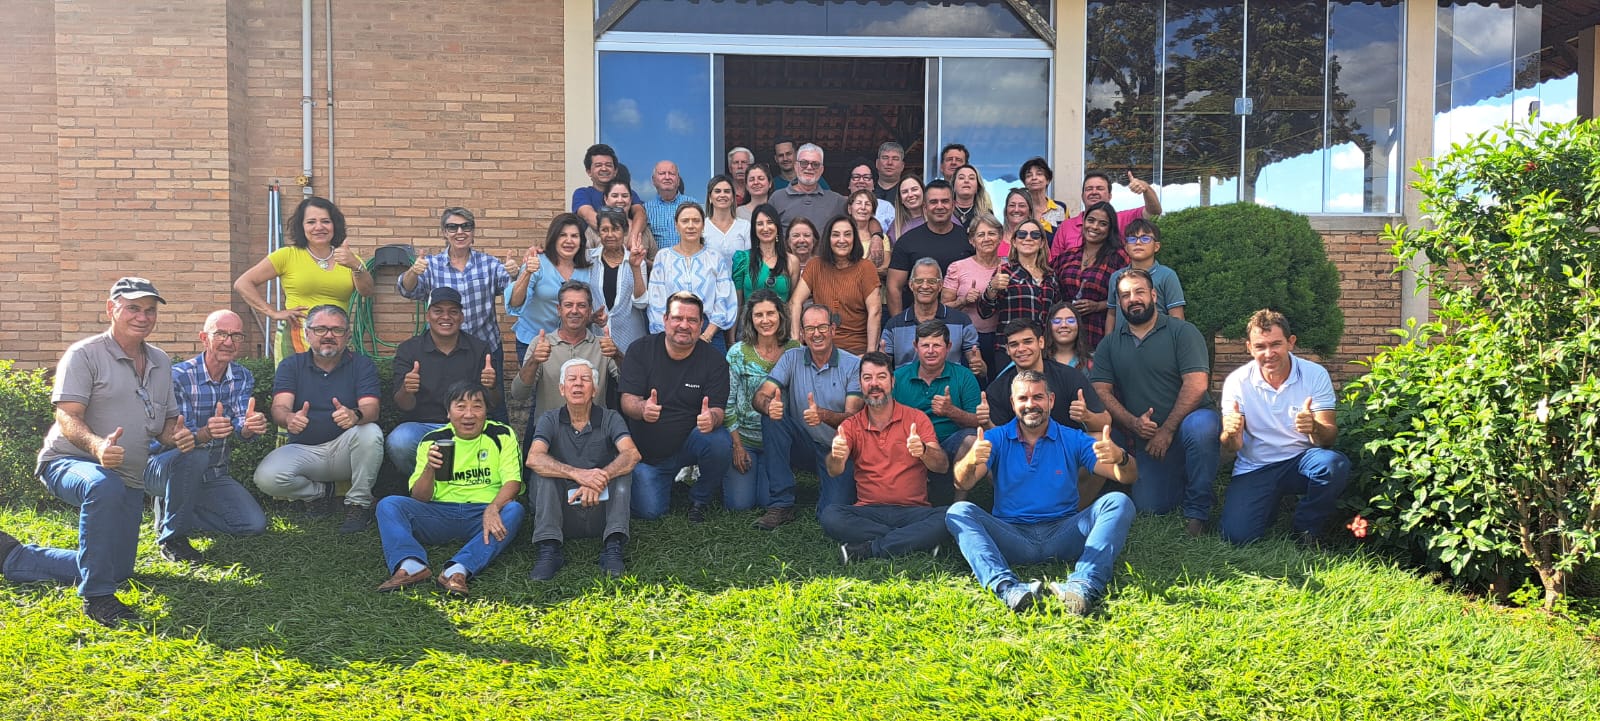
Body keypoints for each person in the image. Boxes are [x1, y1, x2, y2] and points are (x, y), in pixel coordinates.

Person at [0, 278, 195, 626]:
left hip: (128, 476)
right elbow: (66, 414)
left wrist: (177, 435)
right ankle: (98, 598)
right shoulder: (84, 354)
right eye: (133, 307)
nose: (143, 316)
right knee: (102, 485)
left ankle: (14, 556)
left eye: (150, 310)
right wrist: (97, 445)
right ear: (111, 309)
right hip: (70, 462)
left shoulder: (161, 362)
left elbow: (163, 425)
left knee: (117, 568)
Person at [947, 370, 1138, 615]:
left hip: (1064, 531)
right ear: (1013, 403)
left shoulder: (1072, 438)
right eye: (1023, 399)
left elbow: (1129, 476)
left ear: (1051, 401)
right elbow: (962, 484)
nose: (1030, 405)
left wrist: (1120, 457)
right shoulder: (996, 438)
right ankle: (1008, 589)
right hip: (1012, 535)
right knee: (958, 511)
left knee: (1118, 501)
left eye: (1038, 397)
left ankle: (1083, 585)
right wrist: (970, 460)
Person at [1090, 269, 1221, 536]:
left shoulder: (1182, 332)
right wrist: (1132, 423)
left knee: (1201, 427)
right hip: (1147, 439)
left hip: (1188, 425)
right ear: (1119, 301)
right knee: (1151, 505)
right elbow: (1100, 389)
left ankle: (1198, 511)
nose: (1133, 299)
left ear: (1153, 295)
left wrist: (1168, 429)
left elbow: (1196, 384)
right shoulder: (1110, 344)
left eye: (1139, 292)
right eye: (1125, 295)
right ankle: (1188, 478)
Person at [373, 382, 524, 597]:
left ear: (486, 411)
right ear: (448, 412)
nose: (469, 414)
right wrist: (429, 468)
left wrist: (493, 507)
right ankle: (411, 564)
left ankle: (457, 570)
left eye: (477, 406)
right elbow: (420, 497)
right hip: (439, 513)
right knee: (389, 505)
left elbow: (513, 483)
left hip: (483, 516)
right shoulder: (433, 440)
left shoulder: (501, 434)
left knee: (514, 510)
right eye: (461, 407)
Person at [144, 309, 271, 565]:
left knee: (253, 524)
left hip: (213, 473)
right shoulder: (178, 376)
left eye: (236, 335)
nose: (229, 342)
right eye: (221, 334)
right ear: (204, 338)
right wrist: (205, 433)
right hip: (163, 466)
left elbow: (239, 421)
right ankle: (172, 538)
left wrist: (249, 426)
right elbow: (179, 437)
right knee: (194, 455)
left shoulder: (242, 376)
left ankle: (176, 507)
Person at [1218, 310, 1351, 546]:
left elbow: (1329, 437)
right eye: (1260, 346)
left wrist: (1314, 427)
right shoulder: (1237, 382)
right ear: (1249, 348)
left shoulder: (1314, 374)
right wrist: (1229, 433)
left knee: (1333, 464)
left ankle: (1306, 529)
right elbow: (1233, 446)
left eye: (1276, 344)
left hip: (1301, 461)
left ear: (1291, 342)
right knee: (1236, 537)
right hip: (1255, 466)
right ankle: (1268, 504)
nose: (1268, 353)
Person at [254, 304, 384, 534]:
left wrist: (356, 415)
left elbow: (371, 408)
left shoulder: (361, 364)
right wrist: (288, 418)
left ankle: (358, 504)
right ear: (307, 333)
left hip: (345, 450)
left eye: (336, 330)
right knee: (266, 478)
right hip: (304, 451)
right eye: (321, 329)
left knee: (370, 431)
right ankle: (319, 495)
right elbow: (279, 407)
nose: (328, 336)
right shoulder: (291, 365)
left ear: (348, 336)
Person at [618, 292, 739, 521]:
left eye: (692, 320)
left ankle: (700, 498)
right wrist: (642, 408)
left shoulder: (714, 360)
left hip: (689, 444)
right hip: (648, 454)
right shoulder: (640, 350)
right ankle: (661, 480)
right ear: (665, 320)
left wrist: (711, 418)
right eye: (677, 318)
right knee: (649, 512)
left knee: (719, 440)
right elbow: (627, 401)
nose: (684, 325)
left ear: (701, 324)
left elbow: (718, 410)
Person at [823, 351, 950, 562]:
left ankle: (870, 548)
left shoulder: (916, 418)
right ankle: (917, 541)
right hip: (869, 511)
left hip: (913, 511)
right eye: (867, 378)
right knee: (831, 516)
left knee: (949, 516)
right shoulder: (850, 425)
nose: (874, 384)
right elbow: (833, 470)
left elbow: (942, 466)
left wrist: (924, 452)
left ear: (892, 381)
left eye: (881, 377)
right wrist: (836, 456)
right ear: (860, 384)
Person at [527, 358, 642, 580]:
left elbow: (631, 453)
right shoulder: (548, 418)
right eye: (571, 379)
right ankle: (549, 549)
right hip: (561, 508)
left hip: (600, 504)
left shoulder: (610, 417)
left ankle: (613, 545)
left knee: (623, 471)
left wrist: (601, 477)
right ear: (562, 388)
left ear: (594, 389)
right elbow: (533, 457)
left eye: (585, 379)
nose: (578, 384)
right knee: (544, 473)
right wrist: (579, 475)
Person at [752, 304, 864, 528]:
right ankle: (781, 504)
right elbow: (760, 396)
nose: (816, 333)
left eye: (822, 327)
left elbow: (853, 417)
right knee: (773, 418)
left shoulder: (853, 365)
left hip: (837, 450)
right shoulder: (791, 358)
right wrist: (767, 406)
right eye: (810, 328)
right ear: (802, 334)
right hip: (802, 443)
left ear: (833, 330)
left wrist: (823, 415)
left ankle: (828, 489)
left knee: (830, 513)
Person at [397, 208, 514, 420]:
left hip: (484, 349)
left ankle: (501, 448)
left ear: (473, 231)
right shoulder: (431, 265)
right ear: (444, 232)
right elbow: (407, 289)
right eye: (452, 227)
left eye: (466, 226)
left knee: (494, 407)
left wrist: (517, 273)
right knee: (449, 407)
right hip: (444, 350)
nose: (460, 232)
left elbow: (513, 294)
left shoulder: (489, 264)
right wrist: (413, 271)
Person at [986, 318, 1112, 507]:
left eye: (1027, 341)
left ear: (1041, 342)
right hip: (1021, 458)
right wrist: (985, 421)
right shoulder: (998, 388)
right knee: (986, 448)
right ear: (1007, 351)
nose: (1021, 349)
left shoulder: (1069, 376)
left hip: (1066, 452)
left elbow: (1105, 423)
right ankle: (1018, 509)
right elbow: (997, 440)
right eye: (1014, 344)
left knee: (1101, 442)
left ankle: (1072, 514)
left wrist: (1087, 416)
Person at [234, 196, 375, 357]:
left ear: (335, 225)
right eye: (311, 222)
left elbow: (367, 291)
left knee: (335, 382)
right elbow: (243, 283)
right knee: (296, 381)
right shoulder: (287, 255)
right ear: (301, 227)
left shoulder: (348, 257)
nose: (319, 227)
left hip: (335, 337)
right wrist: (273, 312)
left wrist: (355, 266)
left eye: (325, 221)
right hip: (297, 338)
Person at [390, 287, 497, 481]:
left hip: (467, 424)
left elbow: (494, 403)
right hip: (424, 426)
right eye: (438, 311)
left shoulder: (479, 348)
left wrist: (489, 387)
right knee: (400, 440)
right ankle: (425, 485)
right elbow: (403, 404)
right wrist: (407, 389)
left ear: (462, 317)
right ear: (428, 315)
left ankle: (463, 485)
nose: (445, 317)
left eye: (453, 312)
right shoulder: (409, 349)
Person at [512, 280, 622, 456]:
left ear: (589, 310)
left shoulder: (603, 345)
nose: (575, 311)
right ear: (559, 309)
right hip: (549, 439)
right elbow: (518, 394)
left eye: (581, 305)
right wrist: (534, 360)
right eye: (568, 305)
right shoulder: (540, 344)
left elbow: (628, 383)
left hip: (593, 438)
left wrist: (617, 355)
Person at [724, 290, 800, 527]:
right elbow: (728, 402)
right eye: (758, 315)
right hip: (744, 439)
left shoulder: (795, 350)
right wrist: (737, 445)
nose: (765, 320)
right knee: (740, 503)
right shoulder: (738, 353)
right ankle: (729, 468)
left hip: (777, 441)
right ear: (750, 319)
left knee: (768, 499)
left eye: (770, 313)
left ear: (781, 316)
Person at [890, 321, 983, 506]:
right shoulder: (898, 377)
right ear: (916, 347)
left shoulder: (963, 376)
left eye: (937, 345)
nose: (931, 351)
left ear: (948, 347)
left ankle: (959, 505)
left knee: (972, 439)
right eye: (925, 345)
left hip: (950, 445)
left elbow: (978, 422)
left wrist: (952, 412)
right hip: (911, 446)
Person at [506, 213, 606, 367]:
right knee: (535, 390)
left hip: (572, 343)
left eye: (574, 236)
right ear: (554, 238)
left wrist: (592, 318)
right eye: (563, 235)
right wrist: (526, 273)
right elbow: (515, 303)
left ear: (581, 241)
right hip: (535, 341)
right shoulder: (537, 262)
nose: (569, 241)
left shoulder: (588, 267)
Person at [645, 203, 739, 351]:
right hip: (673, 331)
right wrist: (669, 336)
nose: (690, 226)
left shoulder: (715, 257)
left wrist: (707, 335)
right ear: (676, 225)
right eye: (685, 221)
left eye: (696, 221)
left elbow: (724, 298)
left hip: (709, 331)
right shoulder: (663, 257)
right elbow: (656, 301)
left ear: (703, 226)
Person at [789, 216, 882, 355]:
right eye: (836, 235)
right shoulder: (815, 265)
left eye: (848, 234)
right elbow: (795, 302)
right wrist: (795, 341)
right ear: (828, 239)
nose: (842, 240)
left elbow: (875, 311)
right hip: (821, 348)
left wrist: (870, 354)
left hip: (856, 351)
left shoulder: (866, 268)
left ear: (854, 239)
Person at [881, 258, 983, 376]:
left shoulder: (961, 321)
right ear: (911, 285)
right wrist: (881, 362)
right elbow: (883, 370)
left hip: (949, 389)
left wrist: (978, 366)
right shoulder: (894, 325)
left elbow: (980, 368)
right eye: (919, 281)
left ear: (940, 286)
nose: (925, 286)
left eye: (932, 281)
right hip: (907, 391)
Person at [888, 180, 972, 315]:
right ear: (925, 207)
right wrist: (898, 326)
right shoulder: (907, 241)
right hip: (917, 323)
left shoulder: (968, 240)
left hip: (961, 322)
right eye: (933, 202)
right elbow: (893, 287)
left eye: (945, 201)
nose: (939, 206)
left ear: (953, 205)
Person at [1054, 201, 1129, 350]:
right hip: (1064, 337)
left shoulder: (1119, 257)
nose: (1094, 227)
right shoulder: (1067, 256)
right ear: (1083, 223)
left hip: (1098, 333)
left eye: (1102, 223)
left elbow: (1127, 297)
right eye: (1091, 220)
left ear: (1110, 229)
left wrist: (1098, 306)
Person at [978, 216, 1058, 350]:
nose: (1028, 238)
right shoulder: (1004, 271)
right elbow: (984, 312)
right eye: (1022, 234)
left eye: (1035, 235)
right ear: (1014, 242)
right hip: (1010, 348)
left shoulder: (1051, 275)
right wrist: (992, 288)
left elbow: (1056, 313)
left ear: (1042, 243)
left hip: (1043, 348)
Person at [1050, 170, 1162, 263]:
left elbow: (1154, 212)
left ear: (1109, 196)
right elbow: (1054, 262)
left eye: (1100, 188)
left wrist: (1146, 189)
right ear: (1082, 196)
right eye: (1089, 189)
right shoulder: (1067, 226)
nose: (1094, 192)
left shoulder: (1122, 219)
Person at [942, 211, 1004, 377]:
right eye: (980, 235)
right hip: (967, 338)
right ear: (972, 240)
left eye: (992, 233)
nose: (986, 239)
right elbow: (943, 307)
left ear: (1000, 237)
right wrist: (963, 300)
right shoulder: (958, 267)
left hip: (1001, 338)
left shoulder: (1009, 267)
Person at [1105, 217, 1186, 339]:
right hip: (1122, 344)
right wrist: (1108, 343)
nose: (1138, 242)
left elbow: (1176, 316)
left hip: (1157, 342)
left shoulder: (1167, 275)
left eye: (1145, 238)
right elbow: (1112, 314)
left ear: (1156, 246)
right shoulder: (1116, 277)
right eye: (1132, 239)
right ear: (1126, 247)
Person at [590, 208, 651, 352]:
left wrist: (635, 267)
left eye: (615, 229)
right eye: (604, 229)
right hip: (597, 342)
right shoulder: (589, 260)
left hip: (630, 341)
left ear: (624, 232)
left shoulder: (636, 260)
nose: (610, 234)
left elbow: (641, 303)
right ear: (598, 232)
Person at [571, 143, 647, 243]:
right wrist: (615, 239)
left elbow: (640, 214)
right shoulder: (582, 193)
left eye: (608, 165)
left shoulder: (628, 193)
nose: (604, 168)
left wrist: (632, 238)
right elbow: (589, 216)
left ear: (615, 171)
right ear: (589, 171)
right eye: (598, 165)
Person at [731, 203, 800, 305]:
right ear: (754, 229)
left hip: (782, 319)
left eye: (770, 222)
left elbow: (792, 303)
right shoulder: (743, 259)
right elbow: (738, 304)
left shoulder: (792, 261)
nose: (765, 228)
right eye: (759, 224)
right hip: (750, 319)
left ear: (777, 226)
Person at [770, 143, 847, 233]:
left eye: (815, 164)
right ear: (796, 166)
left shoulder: (837, 201)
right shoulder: (777, 198)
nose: (809, 168)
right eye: (804, 163)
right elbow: (770, 232)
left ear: (822, 170)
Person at [643, 160, 699, 250]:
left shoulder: (692, 204)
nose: (667, 177)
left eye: (672, 174)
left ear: (678, 180)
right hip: (658, 262)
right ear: (653, 180)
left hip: (689, 261)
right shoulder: (645, 209)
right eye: (662, 173)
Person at [702, 174, 751, 265]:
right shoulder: (702, 227)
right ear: (710, 198)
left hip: (738, 279)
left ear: (732, 197)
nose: (722, 195)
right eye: (717, 191)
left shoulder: (745, 226)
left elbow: (749, 261)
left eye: (727, 191)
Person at [846, 188, 891, 275]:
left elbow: (885, 267)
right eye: (859, 203)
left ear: (873, 212)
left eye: (867, 204)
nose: (863, 207)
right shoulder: (842, 235)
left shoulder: (882, 238)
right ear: (849, 209)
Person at [847, 162, 897, 236]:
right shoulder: (840, 203)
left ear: (874, 184)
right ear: (849, 183)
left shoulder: (886, 207)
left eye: (866, 177)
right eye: (856, 177)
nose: (861, 181)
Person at [1018, 157, 1067, 234]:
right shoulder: (1020, 209)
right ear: (1024, 183)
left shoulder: (1061, 208)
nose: (1034, 178)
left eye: (1039, 174)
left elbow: (1068, 236)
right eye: (1029, 175)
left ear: (1048, 180)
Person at [1045, 300, 1092, 371]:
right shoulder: (1039, 361)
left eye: (1070, 321)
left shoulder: (1092, 362)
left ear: (1078, 325)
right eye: (1057, 321)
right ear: (1049, 327)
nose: (1064, 325)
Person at [950, 164, 994, 229]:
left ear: (978, 187)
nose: (966, 181)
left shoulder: (987, 214)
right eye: (961, 178)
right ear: (954, 185)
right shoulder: (945, 211)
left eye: (971, 178)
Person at [998, 188, 1035, 258]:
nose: (1016, 210)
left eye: (1022, 206)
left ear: (1030, 212)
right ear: (1006, 210)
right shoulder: (994, 238)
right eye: (1012, 205)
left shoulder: (1037, 238)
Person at [890, 175, 926, 242]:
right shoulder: (895, 226)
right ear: (900, 199)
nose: (910, 195)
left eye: (914, 189)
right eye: (905, 192)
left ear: (923, 192)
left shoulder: (940, 217)